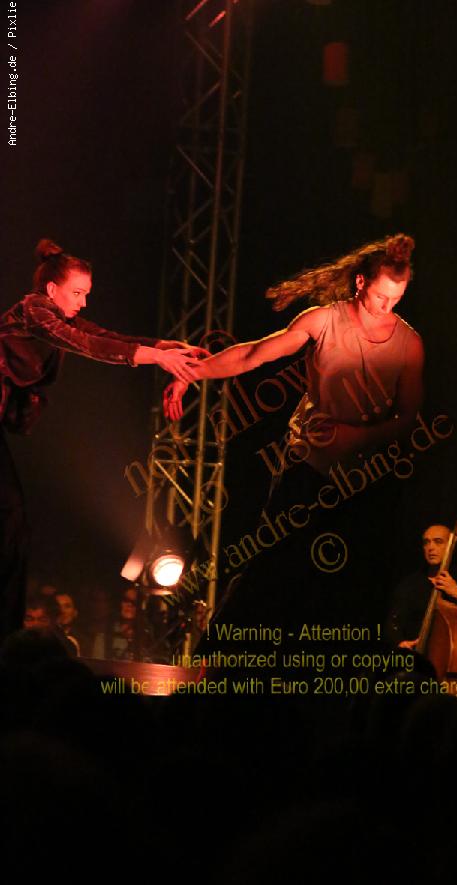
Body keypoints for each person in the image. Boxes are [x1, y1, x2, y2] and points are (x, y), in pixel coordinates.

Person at [165, 234, 424, 652]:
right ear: (361, 283)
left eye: (397, 298)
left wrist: (358, 436)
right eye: (381, 296)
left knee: (345, 584)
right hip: (308, 464)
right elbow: (254, 355)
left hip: (364, 477)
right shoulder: (322, 321)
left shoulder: (409, 344)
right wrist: (191, 373)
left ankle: (322, 672)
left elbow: (408, 417)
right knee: (269, 566)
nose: (386, 306)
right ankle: (217, 661)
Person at [0, 238, 202, 641]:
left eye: (86, 294)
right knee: (10, 517)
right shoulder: (35, 309)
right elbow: (87, 345)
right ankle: (7, 634)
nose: (84, 302)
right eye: (77, 293)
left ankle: (7, 632)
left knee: (13, 521)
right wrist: (157, 358)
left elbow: (104, 334)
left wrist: (165, 347)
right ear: (52, 289)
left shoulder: (58, 315)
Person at [388, 524, 457, 648]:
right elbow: (393, 622)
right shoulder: (411, 584)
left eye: (438, 542)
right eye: (426, 542)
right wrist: (400, 642)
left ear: (451, 545)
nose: (431, 547)